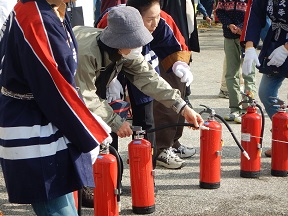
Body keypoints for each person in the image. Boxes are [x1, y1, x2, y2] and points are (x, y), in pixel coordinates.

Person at [74, 5, 204, 205]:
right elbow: (86, 97)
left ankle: (93, 183)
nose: (139, 46)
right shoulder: (87, 52)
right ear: (119, 42)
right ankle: (80, 185)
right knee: (78, 135)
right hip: (60, 89)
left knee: (97, 130)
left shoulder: (126, 51)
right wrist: (116, 122)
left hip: (87, 89)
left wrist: (182, 107)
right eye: (135, 42)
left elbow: (150, 79)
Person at [0, 0, 113, 215]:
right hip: (32, 123)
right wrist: (87, 131)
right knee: (58, 209)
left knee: (64, 205)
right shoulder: (35, 17)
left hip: (46, 117)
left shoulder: (49, 8)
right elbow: (55, 86)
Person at [96, 0, 197, 170]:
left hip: (141, 64)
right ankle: (112, 179)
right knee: (110, 122)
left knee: (146, 121)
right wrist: (110, 82)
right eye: (150, 19)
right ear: (135, 17)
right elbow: (98, 53)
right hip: (111, 70)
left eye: (158, 16)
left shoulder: (158, 18)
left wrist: (179, 64)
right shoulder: (113, 20)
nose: (156, 22)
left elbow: (173, 43)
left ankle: (145, 174)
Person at [241, 0, 288, 157]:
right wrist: (249, 47)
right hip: (277, 41)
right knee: (266, 93)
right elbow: (254, 15)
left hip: (285, 45)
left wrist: (287, 48)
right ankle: (283, 139)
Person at [216, 0, 256, 123]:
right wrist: (229, 25)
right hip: (229, 36)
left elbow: (255, 15)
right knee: (231, 74)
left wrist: (241, 27)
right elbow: (219, 11)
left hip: (247, 38)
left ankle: (248, 108)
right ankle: (234, 108)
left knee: (248, 73)